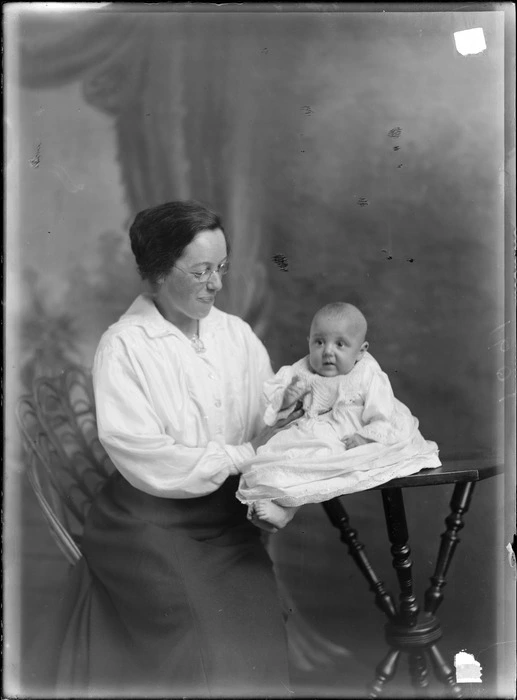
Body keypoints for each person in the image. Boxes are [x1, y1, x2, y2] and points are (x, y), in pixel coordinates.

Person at [47, 200, 304, 698]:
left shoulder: (237, 335)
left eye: (222, 268)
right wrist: (243, 453)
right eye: (202, 270)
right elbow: (146, 456)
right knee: (197, 633)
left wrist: (289, 414)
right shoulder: (125, 346)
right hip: (146, 522)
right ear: (159, 272)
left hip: (226, 520)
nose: (217, 284)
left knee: (257, 626)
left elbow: (263, 425)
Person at [237, 302, 441, 532]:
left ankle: (286, 511)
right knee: (282, 457)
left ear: (361, 350)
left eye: (340, 344)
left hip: (351, 433)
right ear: (309, 342)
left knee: (323, 462)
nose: (328, 352)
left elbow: (382, 413)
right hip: (310, 429)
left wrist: (366, 437)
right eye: (319, 342)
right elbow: (277, 409)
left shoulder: (367, 373)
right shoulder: (303, 369)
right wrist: (287, 398)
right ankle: (283, 509)